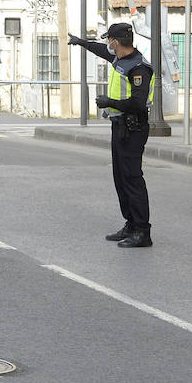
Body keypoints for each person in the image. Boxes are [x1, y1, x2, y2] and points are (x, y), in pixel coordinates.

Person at [69, 23, 154, 248]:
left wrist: (109, 102)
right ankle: (131, 224)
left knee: (132, 179)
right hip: (119, 126)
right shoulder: (119, 58)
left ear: (116, 42)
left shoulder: (139, 68)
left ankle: (143, 232)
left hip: (134, 127)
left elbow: (137, 103)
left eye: (109, 40)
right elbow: (99, 50)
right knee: (120, 177)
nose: (107, 44)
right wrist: (81, 42)